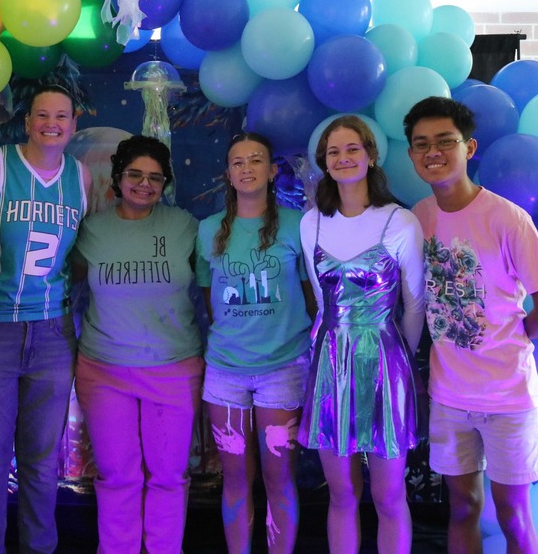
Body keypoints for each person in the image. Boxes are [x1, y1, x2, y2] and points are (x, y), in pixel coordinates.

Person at [403, 97, 538, 554]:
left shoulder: (508, 219)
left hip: (507, 397)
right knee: (461, 508)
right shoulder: (418, 218)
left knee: (514, 515)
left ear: (468, 147)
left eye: (444, 142)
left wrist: (510, 339)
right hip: (449, 396)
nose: (433, 153)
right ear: (411, 155)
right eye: (421, 145)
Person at [0, 77, 93, 554]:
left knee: (41, 462)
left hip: (54, 333)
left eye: (61, 116)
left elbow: (78, 257)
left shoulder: (82, 178)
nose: (51, 124)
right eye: (42, 115)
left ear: (75, 124)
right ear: (28, 122)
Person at [297, 116, 426, 554]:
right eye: (334, 152)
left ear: (370, 156)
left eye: (352, 149)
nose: (344, 158)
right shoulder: (311, 222)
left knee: (388, 495)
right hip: (331, 362)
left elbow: (415, 305)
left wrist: (395, 358)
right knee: (341, 493)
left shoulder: (401, 221)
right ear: (325, 163)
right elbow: (321, 298)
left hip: (386, 364)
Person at [71, 134, 203, 553]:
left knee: (168, 477)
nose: (144, 184)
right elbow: (63, 281)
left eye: (155, 177)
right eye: (135, 174)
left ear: (165, 183)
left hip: (174, 369)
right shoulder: (91, 230)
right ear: (117, 177)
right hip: (104, 370)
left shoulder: (185, 226)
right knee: (117, 478)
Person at [195, 132, 315, 554]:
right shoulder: (208, 230)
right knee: (234, 479)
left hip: (283, 369)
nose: (247, 168)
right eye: (238, 162)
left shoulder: (297, 225)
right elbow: (212, 303)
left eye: (256, 160)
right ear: (228, 174)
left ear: (272, 170)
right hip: (225, 373)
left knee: (279, 478)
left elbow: (310, 293)